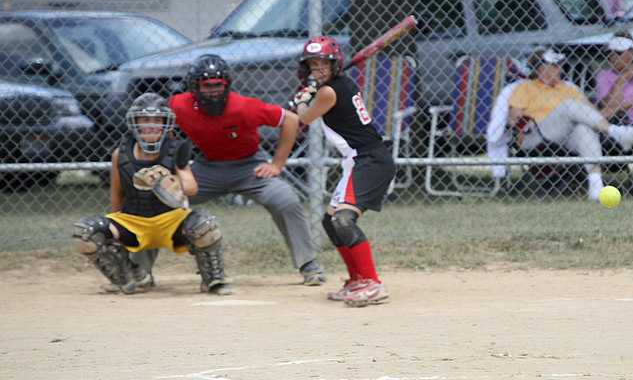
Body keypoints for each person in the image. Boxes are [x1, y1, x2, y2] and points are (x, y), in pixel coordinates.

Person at [166, 54, 325, 286]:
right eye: (206, 86)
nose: (213, 91)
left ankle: (308, 264)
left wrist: (276, 165)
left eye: (218, 86)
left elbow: (290, 120)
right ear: (194, 87)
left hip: (249, 167)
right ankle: (138, 268)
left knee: (286, 200)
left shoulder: (243, 107)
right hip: (207, 167)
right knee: (162, 198)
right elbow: (164, 125)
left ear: (227, 85)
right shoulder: (179, 104)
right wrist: (175, 166)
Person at [72, 93, 230, 295]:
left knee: (204, 225)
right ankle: (128, 276)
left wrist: (170, 181)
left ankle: (213, 278)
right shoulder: (121, 154)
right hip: (134, 221)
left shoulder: (175, 149)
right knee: (86, 232)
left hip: (171, 220)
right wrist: (118, 236)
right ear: (135, 123)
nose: (152, 125)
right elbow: (117, 195)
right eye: (145, 120)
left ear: (166, 124)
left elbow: (191, 187)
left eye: (157, 120)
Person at [292, 36, 393, 307]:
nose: (319, 70)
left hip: (369, 160)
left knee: (343, 220)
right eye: (313, 65)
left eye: (324, 64)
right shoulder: (338, 85)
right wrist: (311, 91)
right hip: (358, 161)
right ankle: (357, 280)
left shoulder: (329, 91)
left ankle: (372, 283)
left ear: (335, 65)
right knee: (330, 221)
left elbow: (305, 117)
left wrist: (301, 98)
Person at [504, 47, 633, 200]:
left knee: (583, 128)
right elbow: (513, 119)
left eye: (560, 65)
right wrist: (516, 120)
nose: (560, 69)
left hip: (565, 137)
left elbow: (594, 116)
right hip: (535, 135)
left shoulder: (568, 88)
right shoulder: (525, 87)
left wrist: (619, 107)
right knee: (570, 105)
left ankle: (595, 186)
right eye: (555, 66)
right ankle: (615, 132)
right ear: (541, 69)